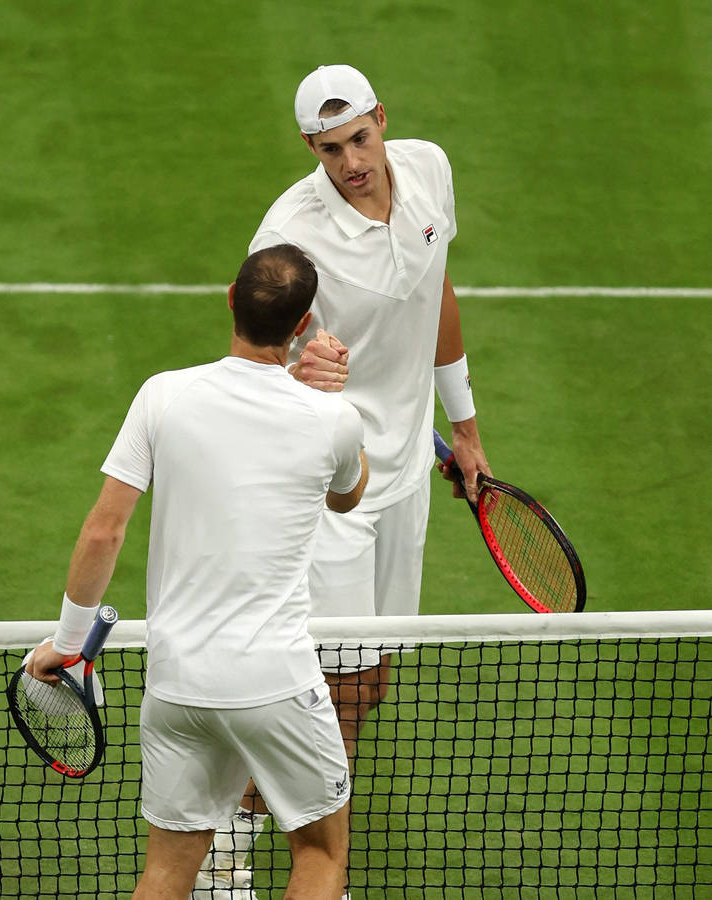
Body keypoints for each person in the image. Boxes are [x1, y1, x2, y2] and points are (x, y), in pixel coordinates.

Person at [197, 64, 491, 896]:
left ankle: (280, 841)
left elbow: (437, 294)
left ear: (381, 120)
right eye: (331, 149)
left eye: (360, 138)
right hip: (329, 483)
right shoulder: (289, 231)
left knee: (367, 683)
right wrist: (301, 371)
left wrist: (463, 428)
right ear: (310, 149)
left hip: (405, 480)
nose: (352, 161)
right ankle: (240, 845)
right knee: (324, 685)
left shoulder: (428, 169)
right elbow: (255, 359)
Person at [26, 243, 369, 900]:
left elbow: (105, 528)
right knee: (321, 854)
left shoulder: (163, 396)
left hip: (178, 686)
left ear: (231, 298)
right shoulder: (334, 420)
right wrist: (327, 399)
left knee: (166, 870)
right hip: (275, 683)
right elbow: (347, 494)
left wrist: (70, 646)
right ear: (302, 327)